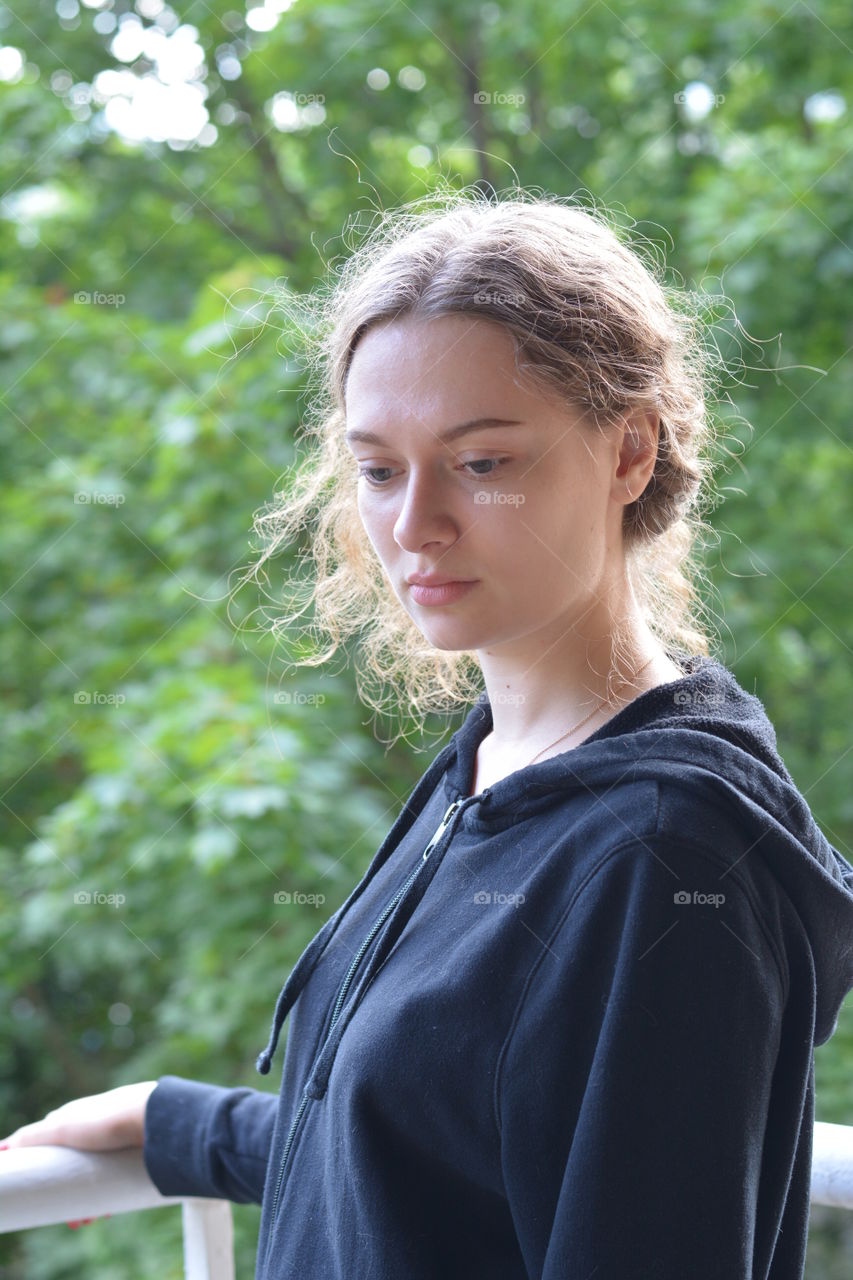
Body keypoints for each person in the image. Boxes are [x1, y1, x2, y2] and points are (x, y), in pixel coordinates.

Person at [3, 190, 853, 1279]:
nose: (414, 526)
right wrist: (187, 1125)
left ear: (630, 452)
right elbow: (447, 1146)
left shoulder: (663, 855)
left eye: (482, 462)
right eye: (378, 467)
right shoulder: (496, 761)